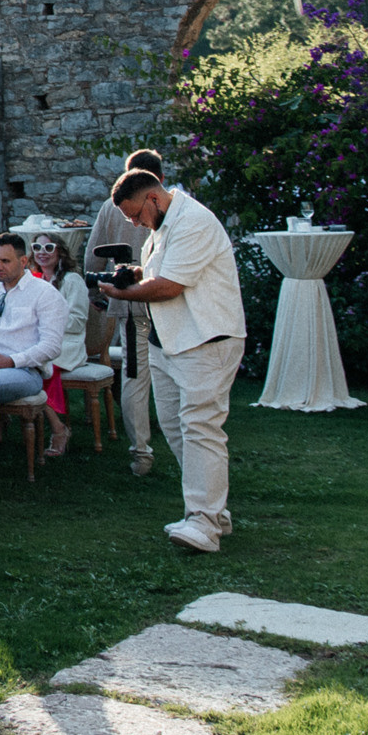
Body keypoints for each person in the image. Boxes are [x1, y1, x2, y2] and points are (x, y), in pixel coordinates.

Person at [98, 168, 246, 554]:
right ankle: (212, 512)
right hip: (170, 342)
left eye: (135, 215)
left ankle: (205, 523)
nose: (133, 223)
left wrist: (121, 293)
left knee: (201, 427)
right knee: (176, 428)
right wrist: (134, 274)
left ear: (153, 199)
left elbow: (169, 287)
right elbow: (157, 274)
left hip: (206, 340)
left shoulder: (193, 221)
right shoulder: (160, 229)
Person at [0, 233, 65, 501]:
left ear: (24, 260)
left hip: (24, 371)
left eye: (5, 260)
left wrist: (12, 360)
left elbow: (52, 346)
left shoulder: (44, 294)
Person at [91, 149, 166, 475]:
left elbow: (92, 259)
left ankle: (141, 454)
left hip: (136, 304)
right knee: (154, 374)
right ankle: (150, 449)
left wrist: (96, 291)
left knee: (135, 378)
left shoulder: (111, 208)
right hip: (159, 304)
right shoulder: (169, 205)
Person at [30, 234, 91, 458]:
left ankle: (58, 429)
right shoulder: (34, 280)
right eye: (37, 247)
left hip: (68, 343)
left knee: (39, 364)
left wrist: (49, 317)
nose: (42, 251)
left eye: (48, 246)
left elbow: (78, 321)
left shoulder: (72, 280)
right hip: (38, 339)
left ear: (60, 251)